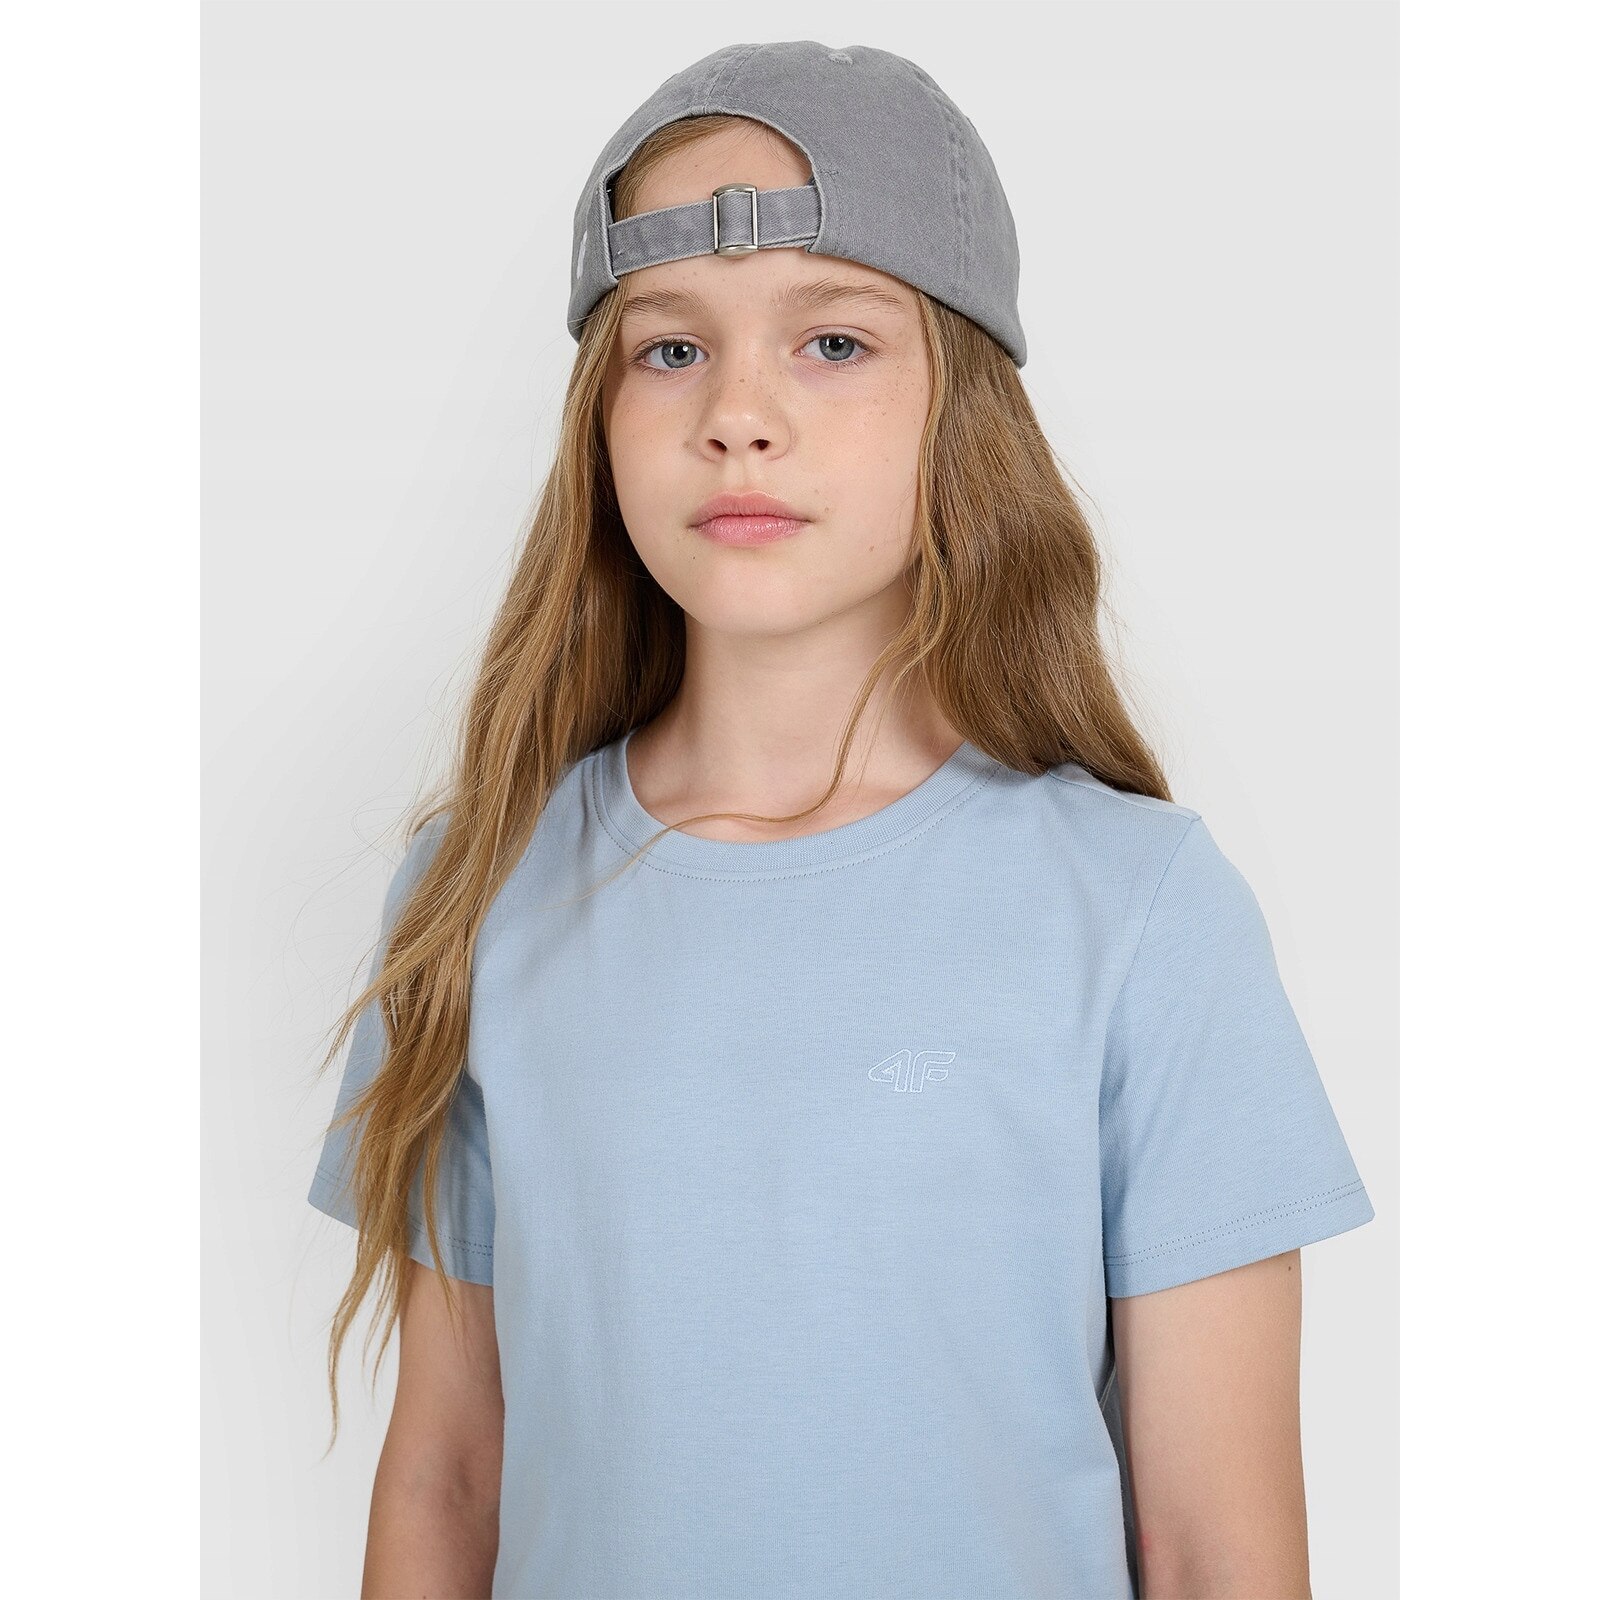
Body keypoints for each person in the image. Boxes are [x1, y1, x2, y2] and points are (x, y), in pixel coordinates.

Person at [304, 39, 1375, 1600]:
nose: (738, 414)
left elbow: (1216, 1546)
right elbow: (448, 1481)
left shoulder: (1141, 911)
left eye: (833, 343)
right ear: (598, 419)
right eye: (671, 348)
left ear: (963, 407)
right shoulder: (474, 892)